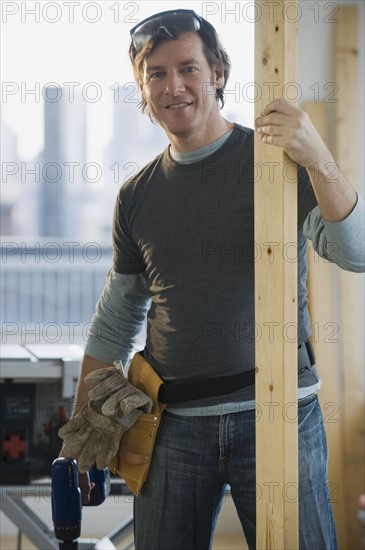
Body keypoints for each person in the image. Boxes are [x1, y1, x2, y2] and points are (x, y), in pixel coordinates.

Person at [60, 9, 365, 550]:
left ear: (217, 74)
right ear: (141, 87)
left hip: (282, 411)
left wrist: (319, 158)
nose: (173, 86)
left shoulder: (275, 164)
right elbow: (117, 318)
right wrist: (82, 432)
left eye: (188, 68)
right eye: (156, 73)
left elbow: (355, 253)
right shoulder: (137, 195)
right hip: (172, 423)